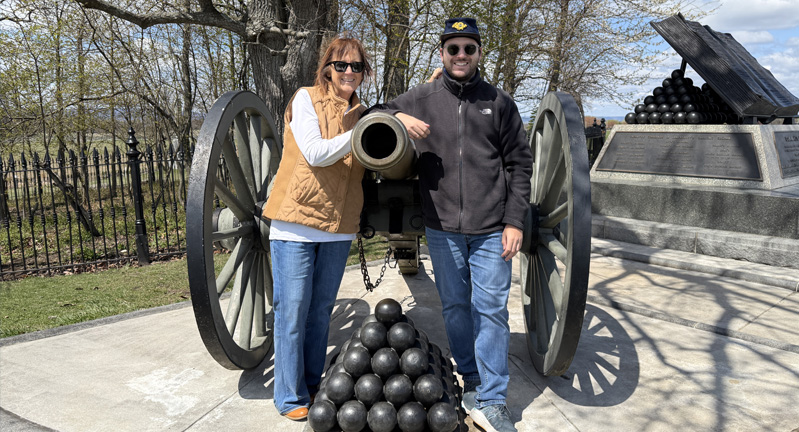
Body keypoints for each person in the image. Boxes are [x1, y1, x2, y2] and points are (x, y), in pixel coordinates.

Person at [368, 17, 532, 432]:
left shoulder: (500, 103)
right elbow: (373, 114)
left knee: (491, 310)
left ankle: (493, 399)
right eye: (453, 48)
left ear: (479, 54)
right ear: (441, 53)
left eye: (469, 48)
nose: (461, 55)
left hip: (493, 226)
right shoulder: (421, 98)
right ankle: (471, 377)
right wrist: (400, 118)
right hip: (442, 226)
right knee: (456, 306)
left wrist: (515, 221)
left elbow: (519, 164)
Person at [261, 34, 372, 421]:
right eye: (341, 65)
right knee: (292, 311)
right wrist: (357, 134)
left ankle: (311, 384)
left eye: (356, 66)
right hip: (297, 223)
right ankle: (289, 398)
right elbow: (314, 152)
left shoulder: (362, 112)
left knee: (321, 311)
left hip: (339, 226)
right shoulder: (306, 98)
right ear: (327, 67)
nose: (348, 72)